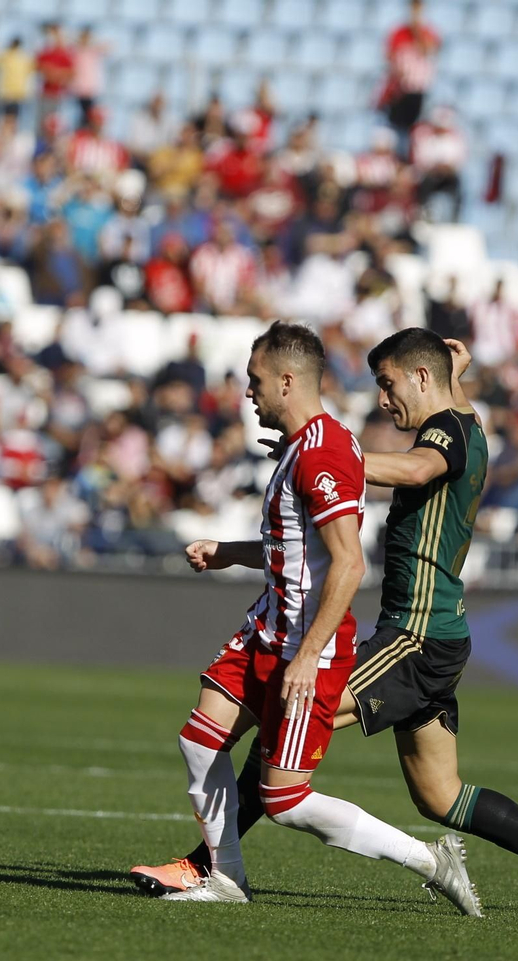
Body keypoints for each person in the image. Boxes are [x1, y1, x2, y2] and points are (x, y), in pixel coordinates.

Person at [134, 330, 518, 919]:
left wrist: (323, 453)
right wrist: (454, 373)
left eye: (389, 383)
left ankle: (206, 867)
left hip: (415, 636)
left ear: (423, 378)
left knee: (291, 712)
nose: (383, 399)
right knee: (441, 796)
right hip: (438, 637)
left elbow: (413, 470)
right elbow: (439, 413)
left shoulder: (444, 436)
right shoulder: (465, 422)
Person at [139, 322, 482, 913]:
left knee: (286, 800)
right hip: (266, 631)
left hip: (307, 647)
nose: (248, 392)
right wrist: (228, 553)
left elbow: (349, 564)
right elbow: (295, 551)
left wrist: (306, 655)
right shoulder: (302, 447)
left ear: (287, 381)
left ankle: (431, 860)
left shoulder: (325, 451)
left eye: (255, 381)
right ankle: (224, 879)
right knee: (199, 737)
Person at [381, 0, 441, 159]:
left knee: (415, 132)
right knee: (396, 131)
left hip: (418, 91)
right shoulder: (398, 33)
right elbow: (390, 59)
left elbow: (430, 49)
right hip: (400, 90)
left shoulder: (427, 33)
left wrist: (417, 29)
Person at [0, 37, 35, 120]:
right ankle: (9, 130)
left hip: (6, 92)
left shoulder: (6, 55)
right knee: (12, 116)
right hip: (17, 92)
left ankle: (6, 131)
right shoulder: (24, 57)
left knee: (5, 117)